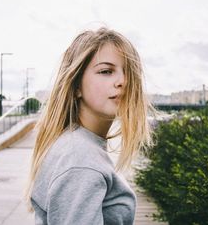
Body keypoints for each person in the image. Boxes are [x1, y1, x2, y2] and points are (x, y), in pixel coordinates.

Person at [25, 27, 153, 225]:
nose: (123, 81)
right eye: (106, 71)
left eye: (128, 72)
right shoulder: (80, 160)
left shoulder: (76, 145)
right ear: (76, 87)